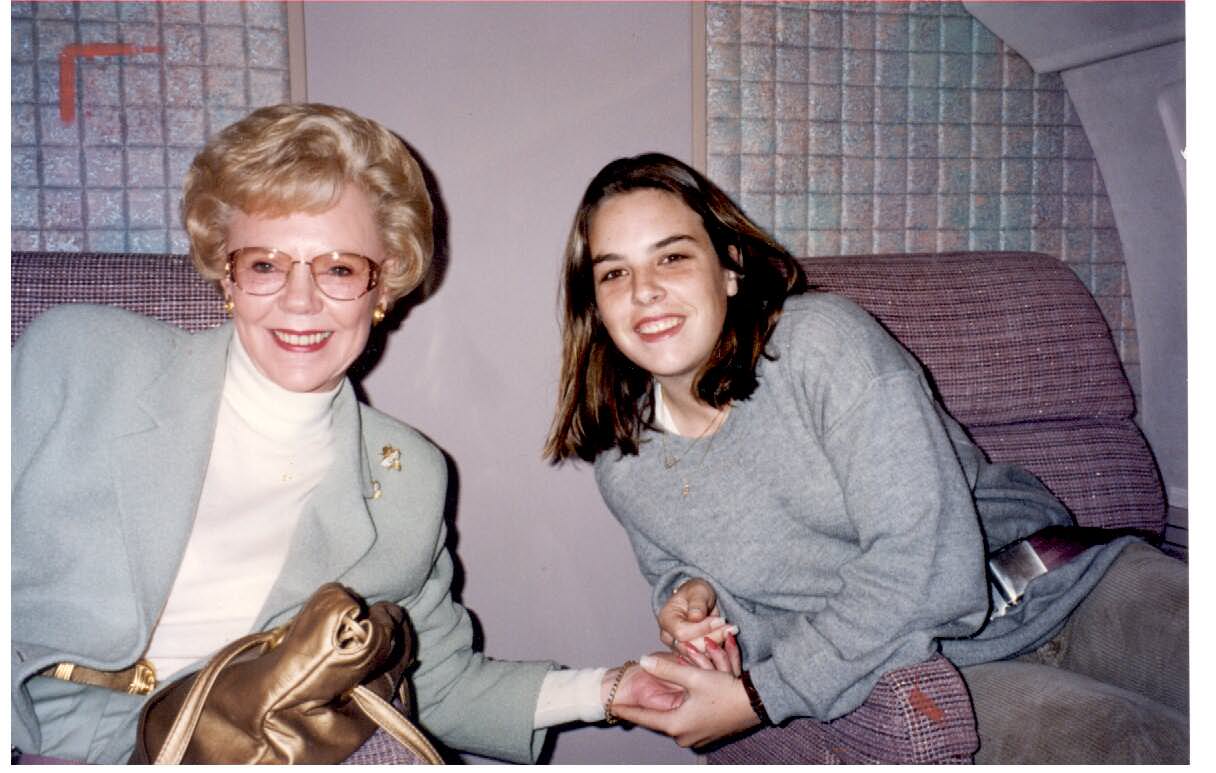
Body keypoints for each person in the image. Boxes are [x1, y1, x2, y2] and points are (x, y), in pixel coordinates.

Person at [10, 104, 684, 765]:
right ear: (226, 271)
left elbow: (442, 683)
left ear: (382, 284)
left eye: (337, 268)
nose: (300, 302)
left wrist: (610, 691)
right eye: (266, 265)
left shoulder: (409, 478)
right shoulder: (80, 358)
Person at [543, 152, 1188, 762]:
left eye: (672, 257)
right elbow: (678, 569)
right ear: (595, 307)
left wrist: (759, 699)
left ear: (730, 267)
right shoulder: (623, 467)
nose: (645, 291)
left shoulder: (818, 344)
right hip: (939, 669)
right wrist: (692, 598)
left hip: (1075, 583)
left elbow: (924, 559)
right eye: (614, 272)